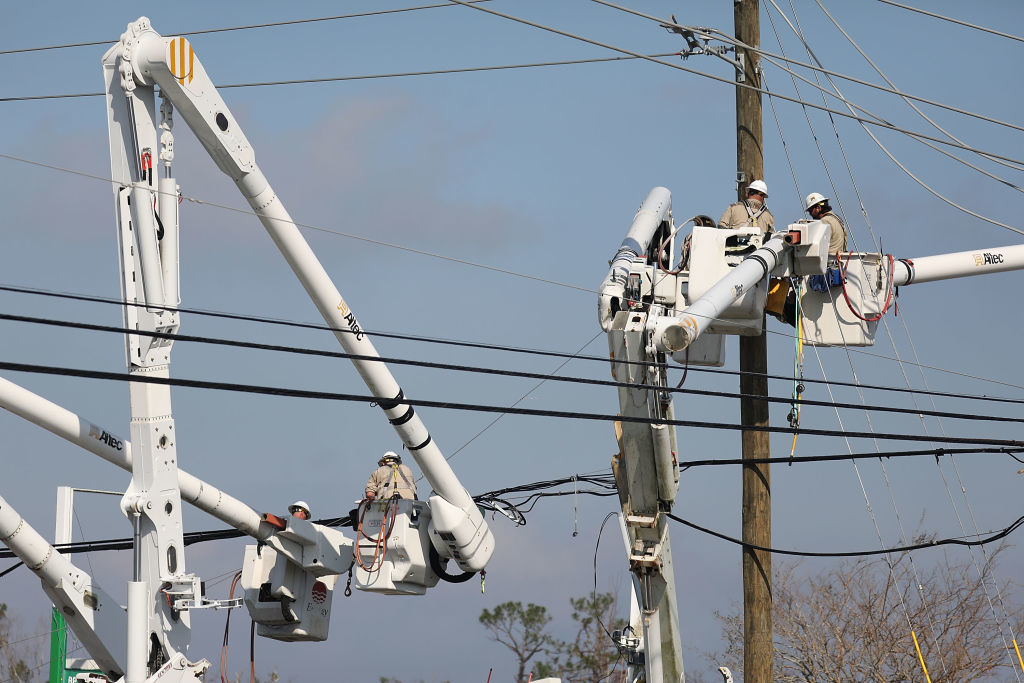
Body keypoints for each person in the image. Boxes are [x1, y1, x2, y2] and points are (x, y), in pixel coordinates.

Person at [804, 192, 847, 257]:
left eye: (810, 211)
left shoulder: (824, 221)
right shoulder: (836, 218)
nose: (810, 214)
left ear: (818, 208)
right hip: (838, 260)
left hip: (829, 262)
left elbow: (816, 244)